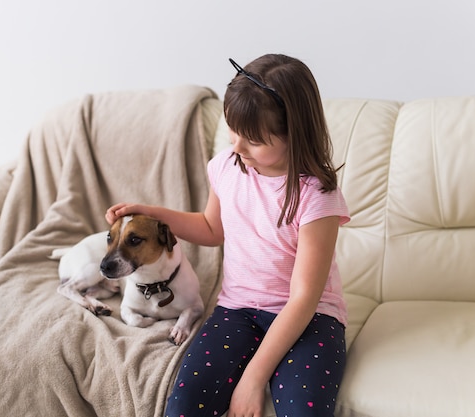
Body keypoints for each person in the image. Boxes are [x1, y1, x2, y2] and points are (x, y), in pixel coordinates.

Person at [106, 53, 350, 417]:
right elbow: (210, 228)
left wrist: (253, 379)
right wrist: (151, 213)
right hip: (238, 311)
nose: (237, 146)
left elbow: (302, 300)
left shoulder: (318, 197)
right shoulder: (227, 167)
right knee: (183, 408)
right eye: (233, 132)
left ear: (293, 132)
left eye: (252, 139)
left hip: (310, 318)